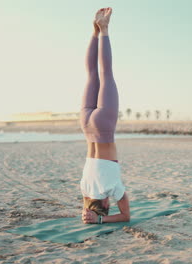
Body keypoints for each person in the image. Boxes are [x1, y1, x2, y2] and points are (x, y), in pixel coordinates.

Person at [79, 7, 130, 224]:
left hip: (104, 126)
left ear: (106, 204)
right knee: (91, 74)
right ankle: (94, 31)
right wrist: (89, 215)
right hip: (87, 124)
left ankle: (105, 29)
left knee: (105, 74)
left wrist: (100, 220)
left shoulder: (112, 188)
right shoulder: (85, 187)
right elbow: (87, 206)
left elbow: (125, 216)